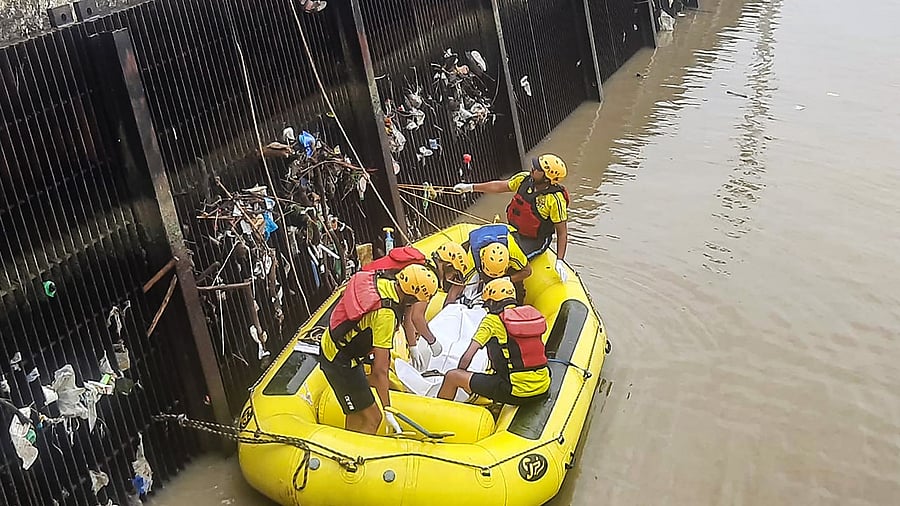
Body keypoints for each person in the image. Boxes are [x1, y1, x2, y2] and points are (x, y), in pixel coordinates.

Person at [319, 264, 438, 434]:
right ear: (412, 296)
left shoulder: (386, 283)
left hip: (341, 351)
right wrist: (388, 409)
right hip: (339, 361)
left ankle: (349, 441)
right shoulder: (386, 315)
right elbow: (380, 371)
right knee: (373, 417)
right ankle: (357, 454)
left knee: (358, 412)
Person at [453, 153, 570, 282]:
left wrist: (560, 260)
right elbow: (499, 186)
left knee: (501, 261)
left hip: (533, 240)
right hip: (512, 229)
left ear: (547, 178)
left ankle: (499, 285)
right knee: (478, 240)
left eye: (538, 169)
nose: (533, 168)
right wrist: (471, 187)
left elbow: (562, 233)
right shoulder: (524, 179)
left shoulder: (555, 200)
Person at [437, 278, 551, 404]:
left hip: (515, 391)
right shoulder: (529, 315)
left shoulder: (492, 320)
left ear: (491, 302)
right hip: (543, 385)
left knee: (452, 376)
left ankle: (437, 416)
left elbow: (467, 357)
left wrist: (461, 374)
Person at [404, 242, 471, 371]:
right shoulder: (429, 279)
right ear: (448, 266)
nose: (452, 278)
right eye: (454, 274)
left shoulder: (423, 265)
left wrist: (412, 346)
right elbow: (417, 317)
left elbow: (408, 313)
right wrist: (432, 342)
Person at [447, 224, 532, 306]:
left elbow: (527, 271)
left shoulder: (513, 251)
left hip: (506, 234)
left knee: (518, 292)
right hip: (478, 240)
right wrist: (447, 309)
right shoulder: (471, 259)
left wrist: (508, 279)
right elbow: (458, 285)